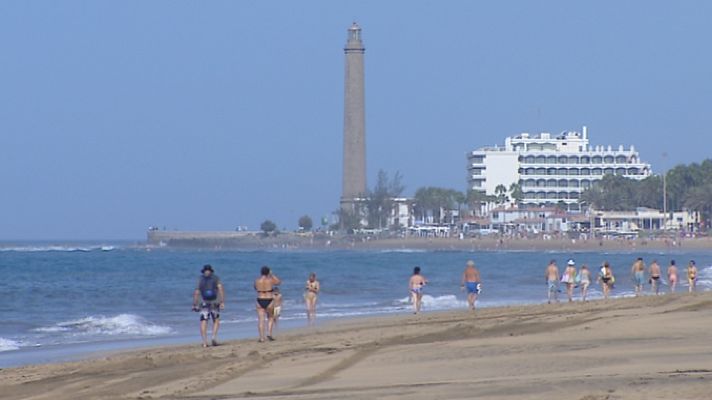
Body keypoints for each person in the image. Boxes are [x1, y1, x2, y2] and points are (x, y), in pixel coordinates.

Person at [192, 265, 225, 348]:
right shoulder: (216, 278)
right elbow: (220, 289)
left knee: (203, 321)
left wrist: (194, 304)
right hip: (214, 302)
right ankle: (213, 337)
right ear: (211, 271)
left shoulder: (200, 279)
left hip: (203, 303)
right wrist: (222, 301)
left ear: (203, 271)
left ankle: (204, 342)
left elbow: (197, 292)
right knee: (216, 320)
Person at [254, 266, 281, 342]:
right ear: (268, 272)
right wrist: (272, 275)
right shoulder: (270, 280)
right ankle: (269, 333)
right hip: (269, 299)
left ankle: (262, 337)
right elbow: (278, 282)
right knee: (270, 317)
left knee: (261, 320)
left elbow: (255, 288)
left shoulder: (257, 280)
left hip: (260, 299)